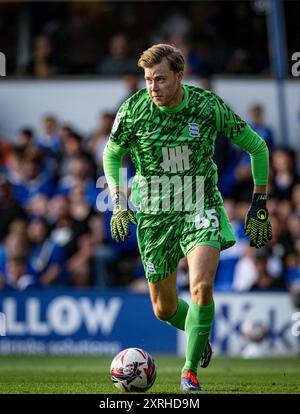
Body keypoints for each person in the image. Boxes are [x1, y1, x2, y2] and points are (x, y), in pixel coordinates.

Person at [103, 44, 272, 391]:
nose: (152, 87)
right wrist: (119, 202)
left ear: (180, 76)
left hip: (201, 206)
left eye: (160, 79)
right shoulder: (134, 110)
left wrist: (259, 202)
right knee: (163, 309)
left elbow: (257, 146)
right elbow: (111, 153)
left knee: (201, 287)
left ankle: (189, 370)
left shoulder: (206, 106)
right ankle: (199, 332)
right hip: (154, 216)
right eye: (148, 80)